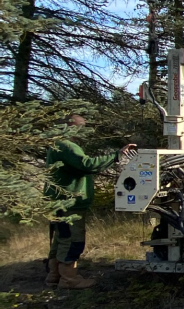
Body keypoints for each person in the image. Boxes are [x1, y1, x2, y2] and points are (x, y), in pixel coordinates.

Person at [44, 114, 136, 289]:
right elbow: (87, 164)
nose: (85, 131)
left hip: (59, 202)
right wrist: (117, 155)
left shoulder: (58, 145)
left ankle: (54, 276)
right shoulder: (67, 146)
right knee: (72, 240)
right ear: (70, 126)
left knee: (61, 239)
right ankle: (69, 279)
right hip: (69, 203)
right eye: (82, 127)